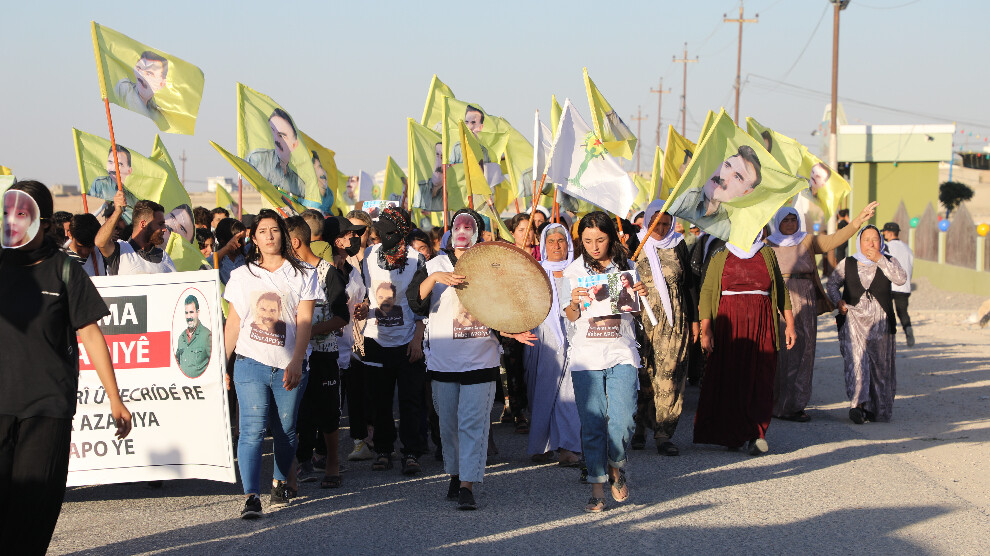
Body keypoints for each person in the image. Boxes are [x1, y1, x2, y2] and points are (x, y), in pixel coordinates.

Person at [0, 181, 132, 553]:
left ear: (43, 222)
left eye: (21, 214)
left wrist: (115, 398)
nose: (12, 222)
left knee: (34, 505)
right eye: (7, 213)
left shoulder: (65, 270)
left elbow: (90, 334)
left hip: (47, 407)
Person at [407, 209, 536, 510]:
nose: (462, 231)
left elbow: (502, 308)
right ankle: (455, 473)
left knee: (473, 423)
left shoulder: (491, 265)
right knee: (448, 424)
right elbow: (415, 301)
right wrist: (435, 278)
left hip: (481, 357)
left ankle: (468, 484)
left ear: (478, 233)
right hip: (443, 360)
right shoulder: (434, 264)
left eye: (469, 227)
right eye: (458, 226)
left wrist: (511, 330)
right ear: (450, 231)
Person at [223, 209, 321, 518]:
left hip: (289, 364)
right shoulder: (242, 275)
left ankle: (280, 481)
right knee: (251, 429)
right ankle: (251, 495)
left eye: (274, 230)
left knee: (286, 429)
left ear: (284, 235)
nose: (269, 236)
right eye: (262, 231)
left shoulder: (304, 273)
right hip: (249, 362)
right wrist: (222, 365)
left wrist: (297, 361)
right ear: (253, 238)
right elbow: (233, 323)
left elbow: (304, 321)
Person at [563, 212, 648, 512]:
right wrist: (574, 303)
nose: (594, 246)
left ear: (611, 237)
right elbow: (569, 315)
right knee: (593, 424)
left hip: (621, 352)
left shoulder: (627, 268)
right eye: (587, 241)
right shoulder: (573, 271)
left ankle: (616, 464)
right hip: (586, 358)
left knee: (624, 419)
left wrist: (640, 295)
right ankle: (597, 489)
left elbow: (637, 313)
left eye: (600, 239)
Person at [765, 203, 875, 422]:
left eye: (793, 220)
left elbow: (834, 240)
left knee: (804, 351)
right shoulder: (767, 244)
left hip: (805, 299)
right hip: (778, 299)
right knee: (780, 352)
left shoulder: (806, 240)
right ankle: (776, 404)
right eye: (785, 220)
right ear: (778, 223)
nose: (790, 224)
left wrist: (858, 221)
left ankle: (795, 405)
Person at [694, 228, 796, 455]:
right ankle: (733, 432)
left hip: (762, 322)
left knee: (761, 375)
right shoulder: (721, 254)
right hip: (729, 323)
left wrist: (789, 324)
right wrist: (706, 330)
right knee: (732, 377)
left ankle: (756, 434)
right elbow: (707, 291)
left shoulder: (767, 253)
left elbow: (780, 288)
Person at [357, 207, 428, 474]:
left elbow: (421, 304)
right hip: (376, 339)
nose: (382, 234)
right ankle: (384, 449)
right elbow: (365, 293)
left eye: (388, 229)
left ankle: (411, 452)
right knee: (379, 400)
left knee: (411, 400)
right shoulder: (368, 255)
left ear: (401, 231)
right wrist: (364, 307)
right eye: (380, 229)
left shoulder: (416, 259)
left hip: (407, 339)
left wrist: (417, 339)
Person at [286, 216, 349, 489]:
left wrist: (308, 332)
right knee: (300, 412)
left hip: (324, 353)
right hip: (295, 356)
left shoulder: (327, 273)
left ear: (295, 242)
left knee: (328, 412)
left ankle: (332, 462)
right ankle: (302, 462)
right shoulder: (287, 273)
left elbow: (342, 317)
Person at [633, 202, 697, 456]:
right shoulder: (634, 244)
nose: (660, 228)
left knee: (671, 374)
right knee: (644, 375)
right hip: (642, 321)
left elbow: (689, 284)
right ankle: (638, 426)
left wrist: (695, 321)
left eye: (665, 224)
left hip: (674, 320)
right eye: (655, 223)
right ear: (647, 221)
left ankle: (664, 433)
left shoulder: (678, 244)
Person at [827, 226, 907, 424]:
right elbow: (832, 285)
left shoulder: (888, 261)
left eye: (875, 239)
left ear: (881, 241)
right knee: (856, 364)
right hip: (854, 320)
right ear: (859, 242)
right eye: (866, 239)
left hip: (881, 323)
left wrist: (880, 259)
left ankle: (876, 409)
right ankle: (858, 406)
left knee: (880, 367)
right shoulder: (848, 263)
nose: (870, 244)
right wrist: (838, 301)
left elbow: (901, 279)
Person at [523, 223, 582, 465]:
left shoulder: (578, 272)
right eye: (551, 241)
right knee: (542, 391)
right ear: (544, 245)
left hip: (574, 336)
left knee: (569, 392)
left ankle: (567, 447)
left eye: (561, 240)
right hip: (542, 339)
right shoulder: (534, 272)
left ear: (568, 243)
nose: (556, 246)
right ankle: (541, 444)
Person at [665, 145, 762, 240]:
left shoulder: (729, 230)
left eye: (737, 177)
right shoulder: (677, 200)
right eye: (727, 166)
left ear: (746, 191)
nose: (723, 176)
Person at [342, 210, 376, 461]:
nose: (355, 236)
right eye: (350, 231)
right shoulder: (343, 260)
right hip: (350, 332)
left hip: (377, 329)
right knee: (354, 388)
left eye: (360, 230)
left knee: (373, 388)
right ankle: (359, 440)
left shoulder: (376, 257)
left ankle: (375, 434)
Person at [96, 190, 175, 275]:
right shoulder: (120, 251)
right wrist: (117, 212)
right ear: (143, 224)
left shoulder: (165, 258)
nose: (164, 229)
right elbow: (100, 243)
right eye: (160, 224)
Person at [246, 108, 304, 199]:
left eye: (281, 136)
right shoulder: (257, 159)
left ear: (294, 144)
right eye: (272, 132)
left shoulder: (299, 183)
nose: (276, 140)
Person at [113, 51, 169, 128]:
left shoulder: (158, 114)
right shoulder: (125, 88)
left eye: (149, 73)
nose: (142, 76)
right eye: (139, 69)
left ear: (162, 83)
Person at [882, 222, 915, 346]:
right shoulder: (908, 248)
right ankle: (908, 329)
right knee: (902, 312)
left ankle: (889, 336)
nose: (884, 234)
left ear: (890, 233)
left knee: (887, 312)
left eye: (884, 232)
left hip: (890, 285)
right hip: (904, 286)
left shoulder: (887, 247)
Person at [89, 145, 139, 224]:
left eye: (120, 164)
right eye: (110, 162)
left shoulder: (136, 192)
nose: (113, 168)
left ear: (129, 170)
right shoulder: (99, 184)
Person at [175, 295, 212, 378]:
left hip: (202, 385)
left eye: (191, 312)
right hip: (183, 384)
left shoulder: (207, 335)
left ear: (197, 312)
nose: (189, 316)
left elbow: (215, 364)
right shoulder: (181, 337)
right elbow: (176, 361)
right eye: (186, 313)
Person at [214, 218, 247, 285]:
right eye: (239, 240)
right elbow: (206, 264)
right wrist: (226, 249)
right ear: (224, 241)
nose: (244, 244)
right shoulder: (219, 260)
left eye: (244, 239)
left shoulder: (247, 258)